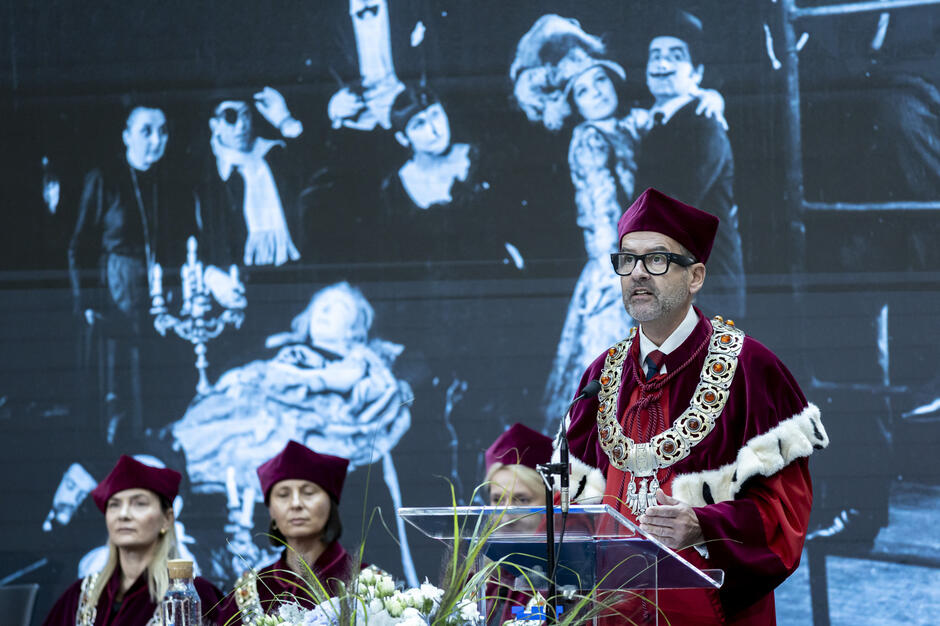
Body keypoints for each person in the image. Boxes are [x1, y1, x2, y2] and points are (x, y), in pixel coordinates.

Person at [562, 188, 829, 624]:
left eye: (657, 259)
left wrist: (706, 525)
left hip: (710, 611)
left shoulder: (750, 368)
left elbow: (786, 511)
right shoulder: (602, 374)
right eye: (627, 260)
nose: (638, 274)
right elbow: (575, 508)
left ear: (696, 276)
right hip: (611, 613)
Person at [68, 104, 194, 441]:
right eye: (147, 131)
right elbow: (80, 246)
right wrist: (88, 300)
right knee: (121, 379)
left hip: (160, 290)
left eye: (164, 130)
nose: (157, 139)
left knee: (158, 377)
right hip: (117, 288)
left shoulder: (171, 181)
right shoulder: (104, 178)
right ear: (126, 136)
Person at [632, 9, 746, 320]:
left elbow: (677, 201)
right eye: (654, 55)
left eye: (675, 55)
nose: (661, 63)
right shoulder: (653, 122)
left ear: (696, 74)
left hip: (704, 284)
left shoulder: (704, 122)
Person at [41, 455, 222, 626]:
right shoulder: (78, 597)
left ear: (167, 518)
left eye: (139, 503)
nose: (124, 514)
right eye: (115, 504)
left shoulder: (198, 598)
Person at [217, 440, 364, 623]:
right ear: (271, 510)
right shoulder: (252, 591)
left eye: (308, 492)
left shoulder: (367, 584)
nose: (296, 504)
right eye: (283, 495)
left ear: (330, 504)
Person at [379, 84, 512, 263]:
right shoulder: (394, 190)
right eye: (419, 124)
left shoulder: (484, 161)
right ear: (403, 139)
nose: (434, 130)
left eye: (435, 115)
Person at [196, 88, 304, 276]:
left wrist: (285, 120)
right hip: (239, 277)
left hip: (289, 270)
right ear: (214, 125)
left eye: (246, 115)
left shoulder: (275, 155)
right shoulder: (210, 174)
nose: (241, 125)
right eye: (230, 117)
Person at [482, 423, 551, 625]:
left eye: (521, 500)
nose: (507, 515)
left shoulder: (571, 583)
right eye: (497, 500)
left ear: (550, 501)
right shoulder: (479, 582)